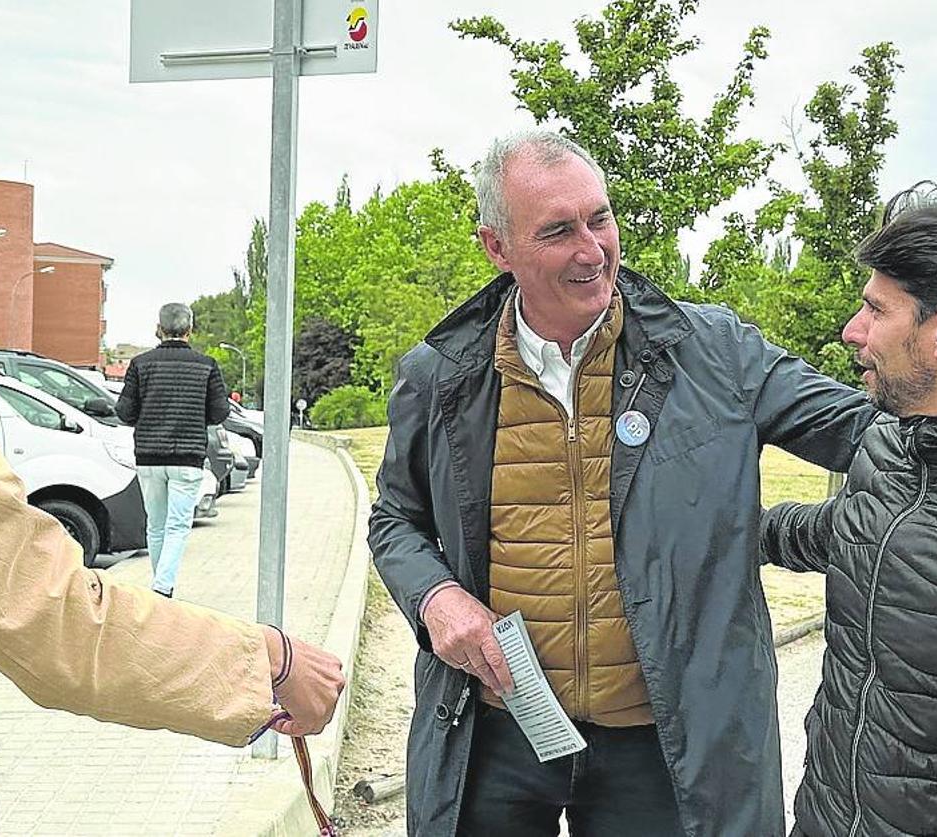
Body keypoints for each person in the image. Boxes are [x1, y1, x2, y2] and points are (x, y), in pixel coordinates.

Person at [0, 7, 345, 835]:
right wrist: (262, 667)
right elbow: (41, 603)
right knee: (168, 526)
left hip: (146, 458)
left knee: (166, 527)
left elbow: (122, 413)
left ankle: (166, 574)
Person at [368, 130, 877, 837]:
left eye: (599, 218)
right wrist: (436, 596)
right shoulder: (442, 374)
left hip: (666, 746)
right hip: (497, 733)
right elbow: (395, 518)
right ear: (497, 247)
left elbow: (868, 434)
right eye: (558, 230)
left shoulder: (714, 351)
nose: (592, 249)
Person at [761, 184, 937, 837]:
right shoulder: (889, 443)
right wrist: (720, 527)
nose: (853, 330)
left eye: (875, 309)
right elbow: (846, 530)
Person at [114, 302, 228, 598]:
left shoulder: (140, 364)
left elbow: (125, 412)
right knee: (178, 525)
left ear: (159, 329)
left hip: (149, 457)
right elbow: (219, 413)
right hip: (188, 457)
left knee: (156, 525)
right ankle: (162, 587)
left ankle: (159, 584)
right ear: (190, 329)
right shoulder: (207, 365)